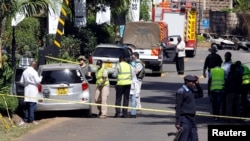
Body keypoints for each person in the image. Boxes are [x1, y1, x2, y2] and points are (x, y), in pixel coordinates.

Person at [175, 75, 203, 141]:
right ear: (186, 82)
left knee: (194, 138)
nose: (193, 84)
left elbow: (200, 94)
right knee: (184, 138)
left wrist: (198, 84)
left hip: (192, 119)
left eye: (194, 82)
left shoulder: (190, 91)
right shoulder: (181, 91)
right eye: (192, 82)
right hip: (184, 119)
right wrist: (178, 122)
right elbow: (178, 107)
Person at [19, 61, 43, 125]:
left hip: (27, 89)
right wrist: (41, 77)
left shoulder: (24, 72)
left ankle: (25, 119)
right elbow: (38, 81)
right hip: (33, 90)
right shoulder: (34, 72)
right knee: (32, 106)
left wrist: (26, 84)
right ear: (34, 65)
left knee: (27, 105)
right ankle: (31, 120)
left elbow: (21, 82)